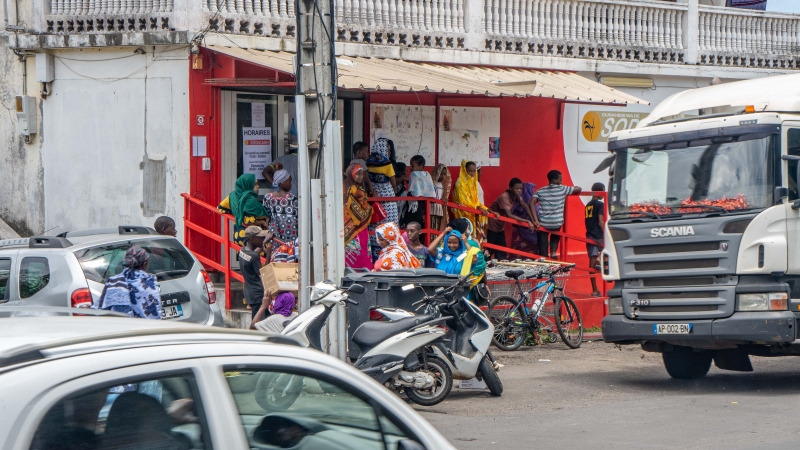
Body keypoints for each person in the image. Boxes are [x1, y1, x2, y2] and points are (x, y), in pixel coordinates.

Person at [93, 246, 162, 319]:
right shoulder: (149, 282)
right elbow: (155, 315)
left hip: (122, 327)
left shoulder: (114, 281)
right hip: (145, 329)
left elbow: (100, 308)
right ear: (145, 263)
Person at [532, 170, 582, 259]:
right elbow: (578, 188)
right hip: (556, 223)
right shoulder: (563, 189)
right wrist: (567, 187)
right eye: (560, 180)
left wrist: (535, 220)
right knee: (556, 230)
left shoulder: (541, 191)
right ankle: (553, 252)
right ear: (554, 180)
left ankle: (544, 257)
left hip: (543, 223)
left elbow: (531, 203)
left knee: (542, 241)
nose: (561, 182)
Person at [487, 178, 536, 261]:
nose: (519, 191)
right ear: (510, 188)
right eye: (516, 188)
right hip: (491, 224)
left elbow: (525, 205)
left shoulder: (516, 196)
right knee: (489, 247)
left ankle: (500, 264)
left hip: (500, 225)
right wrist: (526, 221)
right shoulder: (504, 197)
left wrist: (533, 220)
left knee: (501, 248)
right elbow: (509, 215)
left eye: (520, 189)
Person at [367, 139, 399, 261]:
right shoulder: (386, 163)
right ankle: (390, 252)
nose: (389, 152)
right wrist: (394, 191)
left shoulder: (368, 161)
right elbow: (393, 181)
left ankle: (375, 254)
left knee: (375, 223)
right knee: (390, 222)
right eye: (388, 149)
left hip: (374, 197)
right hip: (387, 197)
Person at [219, 174, 270, 247]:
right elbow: (248, 221)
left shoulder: (232, 196)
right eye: (255, 184)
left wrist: (237, 214)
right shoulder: (250, 200)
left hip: (239, 235)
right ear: (248, 185)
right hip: (254, 238)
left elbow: (220, 208)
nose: (258, 186)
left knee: (243, 257)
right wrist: (263, 222)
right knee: (257, 258)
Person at [344, 163, 373, 269]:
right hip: (355, 227)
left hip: (354, 227)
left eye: (362, 174)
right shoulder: (355, 190)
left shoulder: (345, 186)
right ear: (351, 174)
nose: (360, 177)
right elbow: (364, 210)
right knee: (357, 250)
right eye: (358, 174)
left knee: (360, 250)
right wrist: (371, 209)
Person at [239, 226, 272, 319]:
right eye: (260, 238)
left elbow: (253, 254)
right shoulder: (254, 257)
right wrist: (268, 254)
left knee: (258, 317)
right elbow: (263, 273)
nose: (262, 239)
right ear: (252, 239)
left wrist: (264, 242)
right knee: (259, 320)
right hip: (258, 293)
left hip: (250, 291)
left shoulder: (242, 250)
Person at [452, 160, 488, 243]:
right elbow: (464, 201)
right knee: (465, 236)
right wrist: (478, 207)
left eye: (474, 171)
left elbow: (477, 201)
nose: (472, 173)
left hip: (474, 212)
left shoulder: (474, 182)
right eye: (470, 171)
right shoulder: (460, 183)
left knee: (475, 238)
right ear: (465, 170)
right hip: (464, 213)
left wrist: (485, 209)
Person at [262, 169, 299, 243]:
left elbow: (266, 217)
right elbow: (297, 218)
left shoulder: (267, 198)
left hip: (273, 235)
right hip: (291, 234)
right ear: (282, 183)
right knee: (290, 252)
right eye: (289, 182)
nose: (291, 184)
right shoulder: (293, 198)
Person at [402, 155, 437, 227]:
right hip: (424, 204)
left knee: (411, 223)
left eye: (412, 166)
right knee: (421, 225)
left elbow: (412, 191)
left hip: (414, 205)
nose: (410, 168)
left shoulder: (414, 174)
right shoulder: (428, 175)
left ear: (420, 166)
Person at [585, 182, 605, 297]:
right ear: (599, 191)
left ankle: (594, 290)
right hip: (598, 235)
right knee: (608, 247)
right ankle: (599, 258)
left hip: (589, 234)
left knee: (591, 263)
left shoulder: (588, 204)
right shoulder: (600, 204)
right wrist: (605, 232)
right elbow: (601, 221)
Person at [431, 164, 451, 231]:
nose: (442, 176)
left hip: (439, 209)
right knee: (431, 226)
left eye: (444, 174)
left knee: (438, 227)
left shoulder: (443, 185)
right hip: (431, 208)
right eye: (441, 173)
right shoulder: (432, 183)